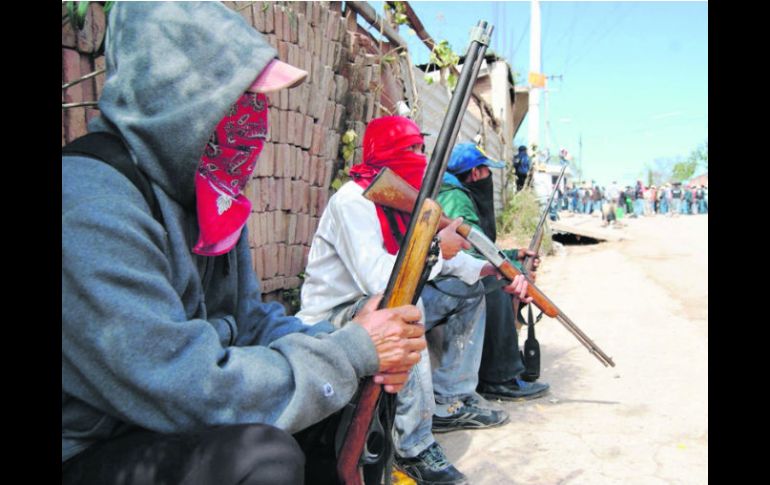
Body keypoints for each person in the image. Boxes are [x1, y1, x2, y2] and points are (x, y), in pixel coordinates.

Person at [62, 4, 426, 484]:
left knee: (343, 393)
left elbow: (251, 321)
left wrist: (354, 342)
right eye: (240, 99)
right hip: (92, 448)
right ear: (177, 98)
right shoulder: (88, 203)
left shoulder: (207, 193)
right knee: (259, 460)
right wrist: (351, 352)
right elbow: (180, 384)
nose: (256, 118)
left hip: (158, 422)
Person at [297, 117, 534, 485]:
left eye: (422, 149)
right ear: (384, 153)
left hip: (376, 303)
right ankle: (414, 446)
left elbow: (447, 264)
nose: (420, 158)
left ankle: (451, 401)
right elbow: (381, 279)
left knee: (467, 291)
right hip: (332, 316)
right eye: (410, 150)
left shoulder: (402, 197)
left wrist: (489, 270)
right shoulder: (352, 200)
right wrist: (439, 247)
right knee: (408, 307)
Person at [437, 143, 551, 399]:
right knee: (496, 286)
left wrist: (513, 257)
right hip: (445, 273)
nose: (490, 176)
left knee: (510, 275)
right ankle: (499, 378)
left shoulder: (457, 192)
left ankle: (505, 364)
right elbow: (470, 250)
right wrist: (504, 268)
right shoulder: (456, 197)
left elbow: (480, 246)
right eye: (487, 171)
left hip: (449, 267)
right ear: (476, 173)